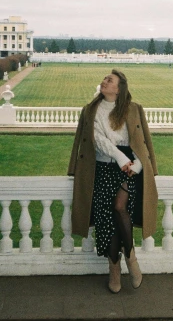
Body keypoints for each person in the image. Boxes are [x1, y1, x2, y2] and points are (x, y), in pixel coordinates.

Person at [68, 69, 159, 293]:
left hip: (128, 170)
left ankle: (131, 258)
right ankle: (115, 268)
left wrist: (136, 166)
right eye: (105, 79)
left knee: (119, 208)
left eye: (110, 80)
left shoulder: (133, 109)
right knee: (107, 219)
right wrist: (120, 159)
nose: (104, 81)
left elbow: (141, 140)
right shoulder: (92, 110)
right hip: (102, 167)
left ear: (118, 89)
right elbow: (98, 140)